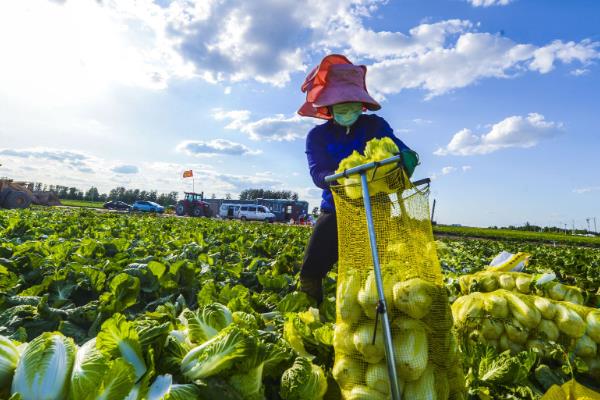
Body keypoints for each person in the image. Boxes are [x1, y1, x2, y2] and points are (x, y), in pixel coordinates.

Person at [297, 54, 419, 303]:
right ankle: (313, 310)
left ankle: (370, 320)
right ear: (328, 107)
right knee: (311, 270)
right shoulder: (317, 137)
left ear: (361, 104)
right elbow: (317, 173)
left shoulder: (374, 125)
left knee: (372, 273)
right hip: (336, 208)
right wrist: (342, 177)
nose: (346, 108)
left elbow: (395, 148)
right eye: (339, 103)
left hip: (377, 208)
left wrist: (406, 157)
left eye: (351, 102)